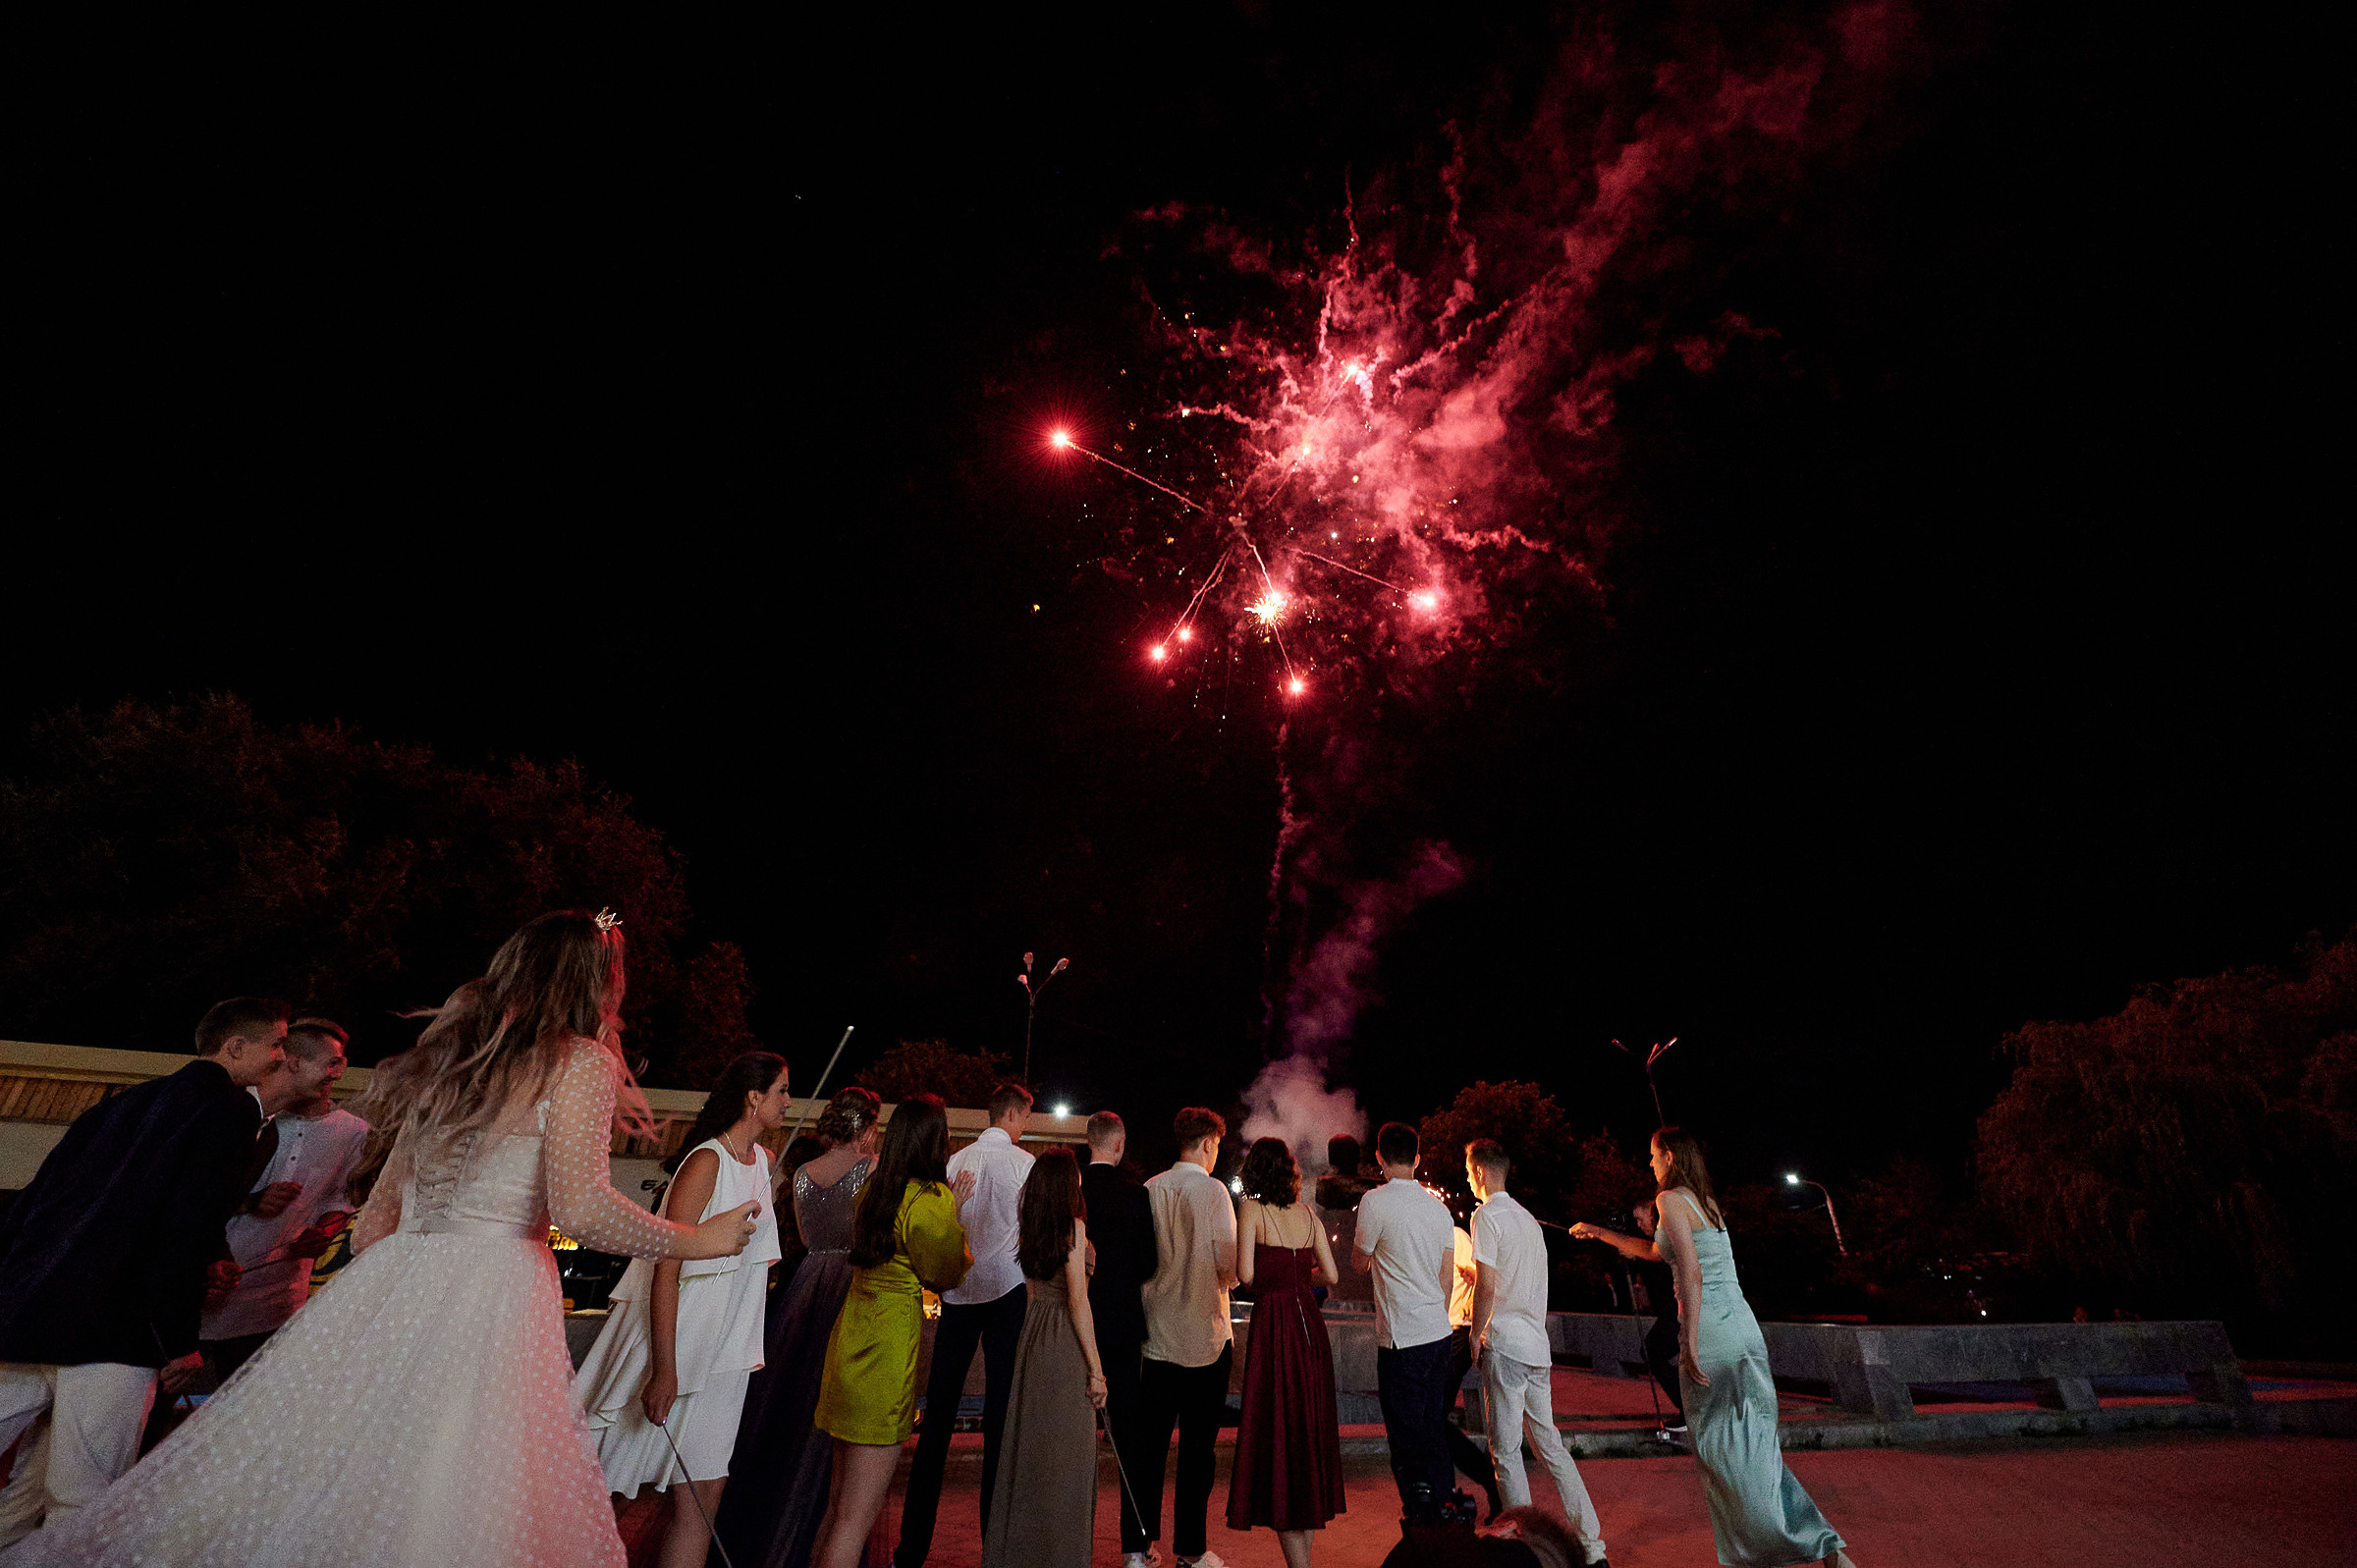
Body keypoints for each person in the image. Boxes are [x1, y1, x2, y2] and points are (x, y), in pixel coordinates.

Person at [0, 910, 764, 1567]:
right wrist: (698, 1239)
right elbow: (582, 1208)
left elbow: (374, 1224)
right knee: (454, 1485)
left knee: (324, 1469)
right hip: (492, 1288)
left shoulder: (448, 1064)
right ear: (595, 981)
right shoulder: (579, 1060)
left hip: (391, 1280)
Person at [0, 996, 288, 1546]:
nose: (280, 1056)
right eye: (275, 1043)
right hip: (114, 1328)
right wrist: (177, 1339)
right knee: (82, 1499)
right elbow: (183, 1227)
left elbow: (35, 1204)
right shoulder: (227, 1110)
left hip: (30, 1314)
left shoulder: (120, 1105)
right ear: (236, 1047)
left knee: (36, 1482)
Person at [576, 1052, 789, 1568]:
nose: (788, 1101)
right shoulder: (705, 1161)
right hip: (674, 1339)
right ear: (753, 1098)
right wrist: (665, 1369)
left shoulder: (761, 1162)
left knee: (700, 1503)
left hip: (725, 1352)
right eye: (781, 1091)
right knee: (604, 1493)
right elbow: (666, 1267)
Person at [1647, 1128, 1857, 1568]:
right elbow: (1661, 1252)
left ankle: (1755, 1553)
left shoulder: (1667, 1200)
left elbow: (1690, 1274)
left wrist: (1687, 1342)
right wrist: (1599, 1234)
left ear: (1669, 1156)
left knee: (1721, 1456)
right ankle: (1828, 1549)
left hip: (1712, 1335)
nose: (1649, 1164)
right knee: (1758, 1451)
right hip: (1743, 1328)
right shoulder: (1707, 1203)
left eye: (1652, 1156)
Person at [712, 1086, 882, 1568]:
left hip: (807, 1284)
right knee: (834, 1414)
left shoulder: (803, 1174)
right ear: (866, 1129)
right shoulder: (872, 1170)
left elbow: (806, 1236)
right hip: (849, 1284)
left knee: (786, 1408)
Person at [811, 1095, 974, 1568]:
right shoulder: (929, 1198)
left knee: (837, 1510)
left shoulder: (874, 1188)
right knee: (854, 1520)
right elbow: (944, 1272)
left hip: (850, 1336)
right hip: (885, 1350)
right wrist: (955, 1213)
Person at [896, 1080, 1035, 1567]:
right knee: (1000, 1419)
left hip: (959, 1294)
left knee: (937, 1423)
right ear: (1014, 1115)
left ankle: (911, 1548)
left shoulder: (955, 1163)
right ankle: (993, 1548)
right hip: (1008, 1293)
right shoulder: (1025, 1166)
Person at [197, 1017, 371, 1385]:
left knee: (252, 1406)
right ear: (293, 1063)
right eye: (331, 1062)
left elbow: (340, 1198)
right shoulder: (247, 1115)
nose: (339, 1073)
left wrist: (323, 1230)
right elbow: (194, 1190)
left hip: (276, 1296)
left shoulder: (354, 1131)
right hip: (206, 1281)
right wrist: (250, 1200)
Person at [1465, 1140, 1606, 1567]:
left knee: (1506, 1450)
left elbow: (1488, 1285)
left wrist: (1475, 1334)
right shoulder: (1528, 1220)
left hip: (1505, 1344)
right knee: (1551, 1447)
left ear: (1482, 1172)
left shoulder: (1485, 1215)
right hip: (1536, 1347)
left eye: (1469, 1170)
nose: (1468, 1179)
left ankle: (1525, 1546)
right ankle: (1592, 1546)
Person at [979, 1146, 1104, 1568]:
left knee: (1031, 1453)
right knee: (1070, 1459)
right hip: (1065, 1343)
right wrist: (1097, 1371)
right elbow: (1077, 1301)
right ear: (1071, 1183)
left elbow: (1034, 1295)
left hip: (1034, 1339)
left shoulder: (1031, 1225)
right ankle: (1062, 1555)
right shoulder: (1074, 1226)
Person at [1227, 1137, 1343, 1568]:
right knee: (1306, 1435)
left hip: (1274, 1325)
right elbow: (1329, 1275)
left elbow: (1244, 1275)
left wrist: (1273, 1274)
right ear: (1290, 1174)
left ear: (1255, 1171)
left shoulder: (1251, 1210)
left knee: (1277, 1435)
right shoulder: (1309, 1216)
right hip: (1310, 1327)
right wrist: (1300, 1270)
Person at [1136, 1106, 1239, 1568]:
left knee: (1150, 1451)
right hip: (1206, 1337)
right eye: (1216, 1146)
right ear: (1207, 1144)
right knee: (1198, 1454)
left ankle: (1139, 1548)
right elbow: (1229, 1263)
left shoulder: (1150, 1189)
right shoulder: (1214, 1191)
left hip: (1155, 1335)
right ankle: (1191, 1551)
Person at [1351, 1120, 1457, 1525]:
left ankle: (1421, 1517)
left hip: (1401, 1340)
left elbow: (1359, 1263)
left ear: (1379, 1158)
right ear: (1417, 1158)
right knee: (1433, 1427)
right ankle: (1447, 1508)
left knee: (1405, 1436)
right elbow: (1445, 1278)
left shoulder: (1375, 1202)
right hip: (1438, 1333)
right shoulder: (1439, 1208)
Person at [1079, 1111, 1161, 1568]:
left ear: (1090, 1142)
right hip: (1124, 1327)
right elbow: (1150, 1262)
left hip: (1077, 1327)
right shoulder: (1135, 1196)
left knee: (1074, 1438)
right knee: (1131, 1440)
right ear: (1120, 1143)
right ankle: (1134, 1548)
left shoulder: (1073, 1191)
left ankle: (1072, 1540)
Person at [1570, 1200, 1684, 1439]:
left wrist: (1636, 1256)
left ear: (1655, 1218)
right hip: (1670, 1312)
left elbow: (1660, 1263)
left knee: (1655, 1350)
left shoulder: (1668, 1240)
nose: (1639, 1224)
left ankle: (1689, 1408)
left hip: (1680, 1311)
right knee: (1656, 1352)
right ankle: (1689, 1405)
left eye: (1642, 1219)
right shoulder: (1653, 1244)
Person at [1441, 1215, 1501, 1519]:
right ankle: (1453, 1494)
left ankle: (1491, 1483)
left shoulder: (1455, 1235)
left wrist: (1473, 1276)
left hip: (1460, 1332)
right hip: (1441, 1334)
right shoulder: (1426, 1237)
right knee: (1434, 1419)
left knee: (1434, 1416)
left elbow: (1481, 1274)